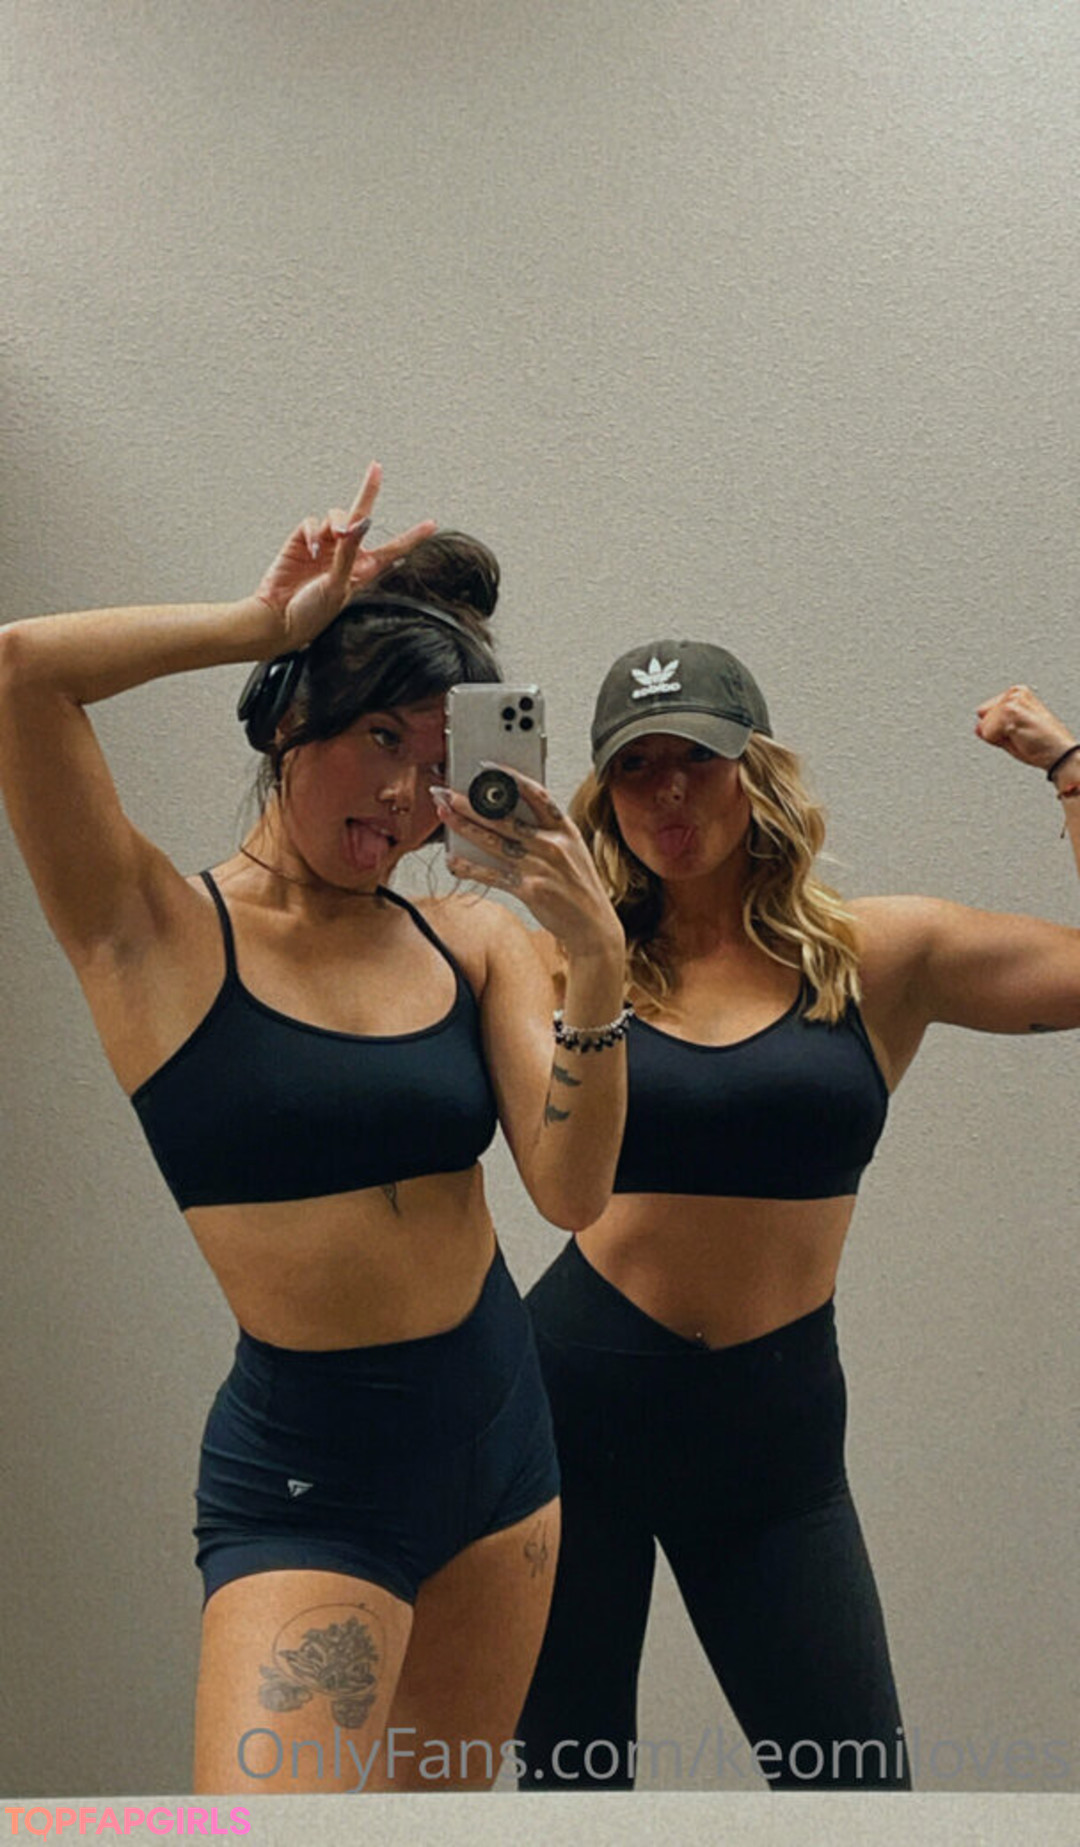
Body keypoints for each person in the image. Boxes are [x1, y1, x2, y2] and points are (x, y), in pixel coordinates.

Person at [0, 463, 627, 1796]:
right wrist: (259, 624)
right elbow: (24, 673)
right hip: (311, 1484)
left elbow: (572, 1192)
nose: (403, 794)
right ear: (290, 715)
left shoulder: (469, 937)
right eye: (380, 736)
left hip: (504, 1455)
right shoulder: (151, 932)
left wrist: (595, 966)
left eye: (438, 763)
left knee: (438, 1830)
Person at [517, 636, 1080, 1792]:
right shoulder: (567, 960)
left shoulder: (880, 954)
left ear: (755, 769)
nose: (669, 792)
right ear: (603, 795)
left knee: (857, 1794)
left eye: (698, 757)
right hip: (572, 1414)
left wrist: (1070, 766)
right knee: (574, 1793)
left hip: (773, 1439)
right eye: (637, 767)